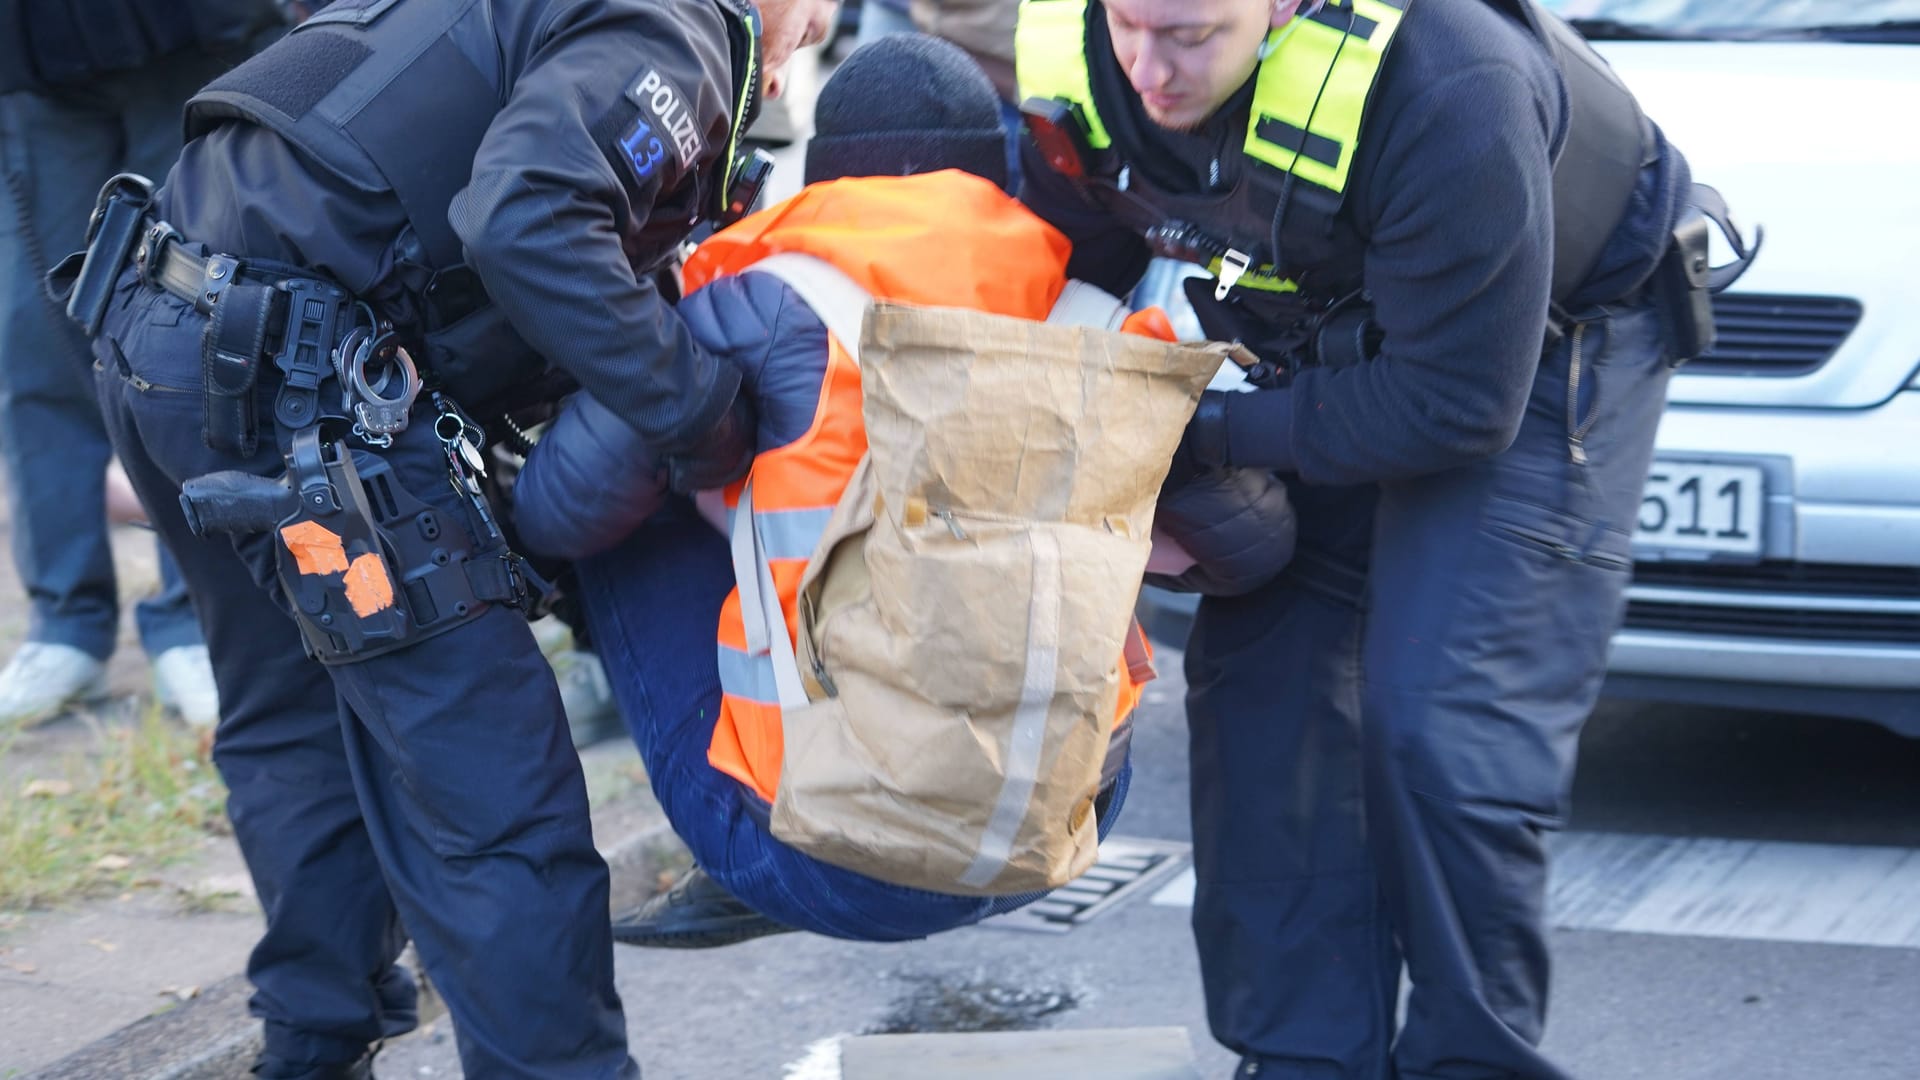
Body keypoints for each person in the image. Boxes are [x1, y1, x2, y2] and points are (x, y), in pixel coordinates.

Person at [47, 0, 838, 1075]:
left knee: (295, 723)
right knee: (495, 791)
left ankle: (312, 1051)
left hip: (156, 317)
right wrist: (702, 413)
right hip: (295, 375)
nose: (806, 50)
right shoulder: (677, 27)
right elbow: (524, 216)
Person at [1014, 0, 1750, 1076]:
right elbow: (1072, 254)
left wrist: (1198, 429)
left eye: (1190, 36)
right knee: (1269, 694)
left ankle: (1474, 1061)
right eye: (1131, 25)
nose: (1151, 71)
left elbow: (1454, 404)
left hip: (1539, 344)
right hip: (1324, 326)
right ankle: (1303, 1059)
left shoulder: (1450, 79)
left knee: (1440, 719)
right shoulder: (1080, 53)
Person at [509, 34, 1297, 948]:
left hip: (823, 857)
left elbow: (554, 513)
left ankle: (737, 826)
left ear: (829, 174)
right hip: (1065, 820)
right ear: (989, 176)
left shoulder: (748, 303)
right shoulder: (1094, 320)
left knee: (630, 502)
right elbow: (1257, 543)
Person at [0, 1, 277, 728]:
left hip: (189, 33)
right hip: (30, 60)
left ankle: (197, 616)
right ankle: (65, 622)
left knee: (187, 326)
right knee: (36, 337)